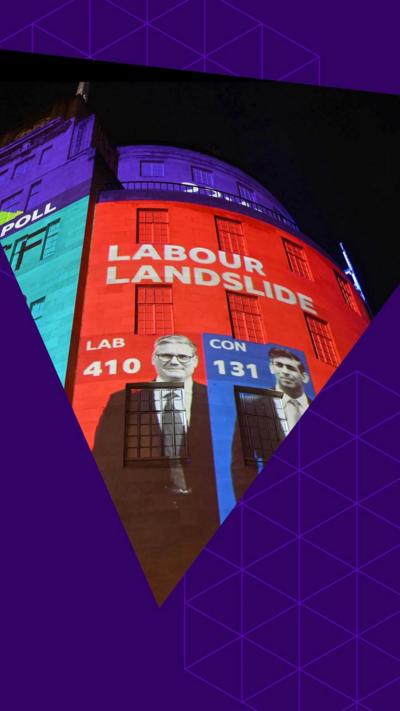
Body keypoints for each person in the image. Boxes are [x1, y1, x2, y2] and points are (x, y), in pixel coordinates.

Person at [92, 334, 219, 605]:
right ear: (153, 359)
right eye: (166, 355)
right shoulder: (122, 401)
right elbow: (104, 463)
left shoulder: (217, 402)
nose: (174, 361)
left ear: (195, 361)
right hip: (143, 526)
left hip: (208, 522)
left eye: (183, 356)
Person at [268, 347, 312, 431]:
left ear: (304, 377)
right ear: (271, 368)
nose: (285, 371)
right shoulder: (251, 405)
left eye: (291, 368)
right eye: (279, 365)